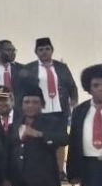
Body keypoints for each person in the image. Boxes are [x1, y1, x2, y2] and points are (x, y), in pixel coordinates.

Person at [21, 37, 78, 176]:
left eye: (47, 49)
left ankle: (60, 170)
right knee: (40, 139)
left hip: (60, 109)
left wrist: (73, 102)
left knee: (60, 140)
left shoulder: (61, 67)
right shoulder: (29, 68)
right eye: (41, 50)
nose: (44, 52)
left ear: (52, 50)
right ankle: (42, 169)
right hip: (39, 111)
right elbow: (23, 90)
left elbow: (72, 86)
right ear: (36, 52)